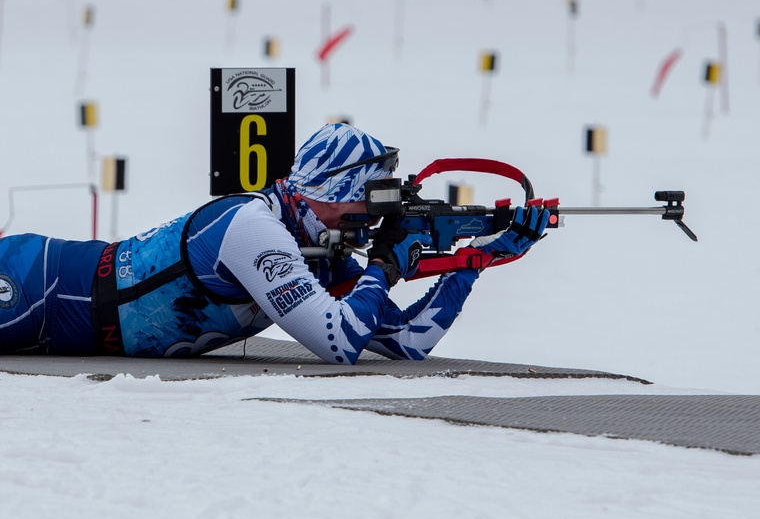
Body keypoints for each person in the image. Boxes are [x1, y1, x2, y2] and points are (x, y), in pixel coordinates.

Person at [0, 123, 549, 363]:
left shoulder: (311, 244)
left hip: (62, 324)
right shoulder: (251, 227)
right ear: (328, 193)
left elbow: (406, 341)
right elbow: (339, 344)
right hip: (35, 286)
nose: (368, 219)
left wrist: (479, 261)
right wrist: (384, 267)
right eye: (363, 201)